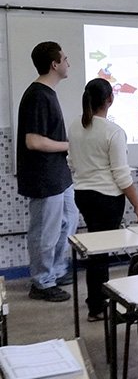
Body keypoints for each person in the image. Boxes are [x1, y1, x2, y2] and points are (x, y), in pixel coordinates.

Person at [68, 78, 138, 321]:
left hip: (83, 194)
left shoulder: (75, 127)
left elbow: (71, 162)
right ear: (109, 100)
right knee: (101, 253)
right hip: (107, 198)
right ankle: (96, 306)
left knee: (96, 249)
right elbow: (121, 176)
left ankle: (95, 300)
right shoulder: (113, 132)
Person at [17, 41, 79, 302]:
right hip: (44, 178)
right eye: (65, 58)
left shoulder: (48, 93)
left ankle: (55, 270)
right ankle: (42, 282)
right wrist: (71, 145)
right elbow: (33, 141)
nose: (68, 62)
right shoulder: (38, 95)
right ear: (54, 64)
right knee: (46, 231)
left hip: (59, 176)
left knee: (68, 221)